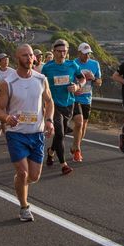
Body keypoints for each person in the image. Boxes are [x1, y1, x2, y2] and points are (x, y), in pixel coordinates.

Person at [0, 44, 56, 222]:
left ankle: (20, 183)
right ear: (17, 58)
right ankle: (24, 207)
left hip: (36, 134)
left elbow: (49, 102)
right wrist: (6, 118)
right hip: (16, 134)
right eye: (25, 56)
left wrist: (49, 120)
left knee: (34, 176)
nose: (29, 58)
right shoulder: (8, 83)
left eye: (31, 55)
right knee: (23, 173)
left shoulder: (41, 79)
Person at [40, 40, 79, 175]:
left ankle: (51, 152)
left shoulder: (72, 65)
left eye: (64, 51)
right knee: (60, 133)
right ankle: (64, 164)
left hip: (69, 104)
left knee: (59, 135)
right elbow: (41, 86)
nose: (62, 54)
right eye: (59, 51)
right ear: (54, 51)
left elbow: (82, 78)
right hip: (53, 105)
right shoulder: (47, 68)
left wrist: (77, 86)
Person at [71, 42, 102, 160]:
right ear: (79, 53)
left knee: (83, 126)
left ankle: (75, 145)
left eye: (89, 53)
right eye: (84, 54)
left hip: (87, 98)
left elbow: (99, 83)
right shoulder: (73, 64)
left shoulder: (94, 64)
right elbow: (68, 80)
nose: (87, 56)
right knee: (78, 122)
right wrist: (74, 88)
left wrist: (93, 78)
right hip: (75, 98)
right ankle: (77, 150)